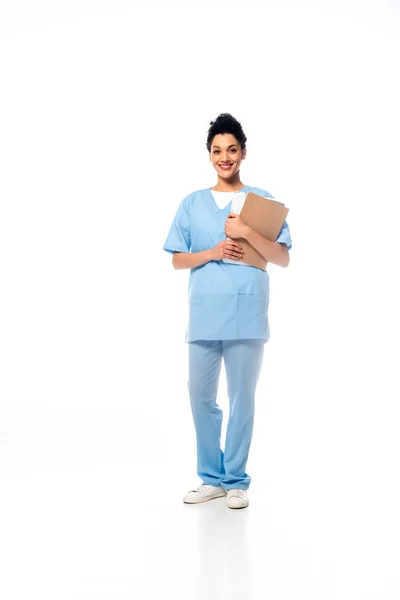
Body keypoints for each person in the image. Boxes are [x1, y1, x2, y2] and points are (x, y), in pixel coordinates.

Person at [162, 113, 292, 509]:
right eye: (217, 150)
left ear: (243, 153)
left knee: (241, 398)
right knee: (199, 396)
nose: (225, 157)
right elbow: (177, 260)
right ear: (209, 156)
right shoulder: (192, 203)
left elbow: (282, 259)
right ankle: (210, 478)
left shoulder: (261, 202)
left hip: (246, 314)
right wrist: (215, 251)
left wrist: (246, 232)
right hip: (204, 314)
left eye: (232, 149)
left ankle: (236, 480)